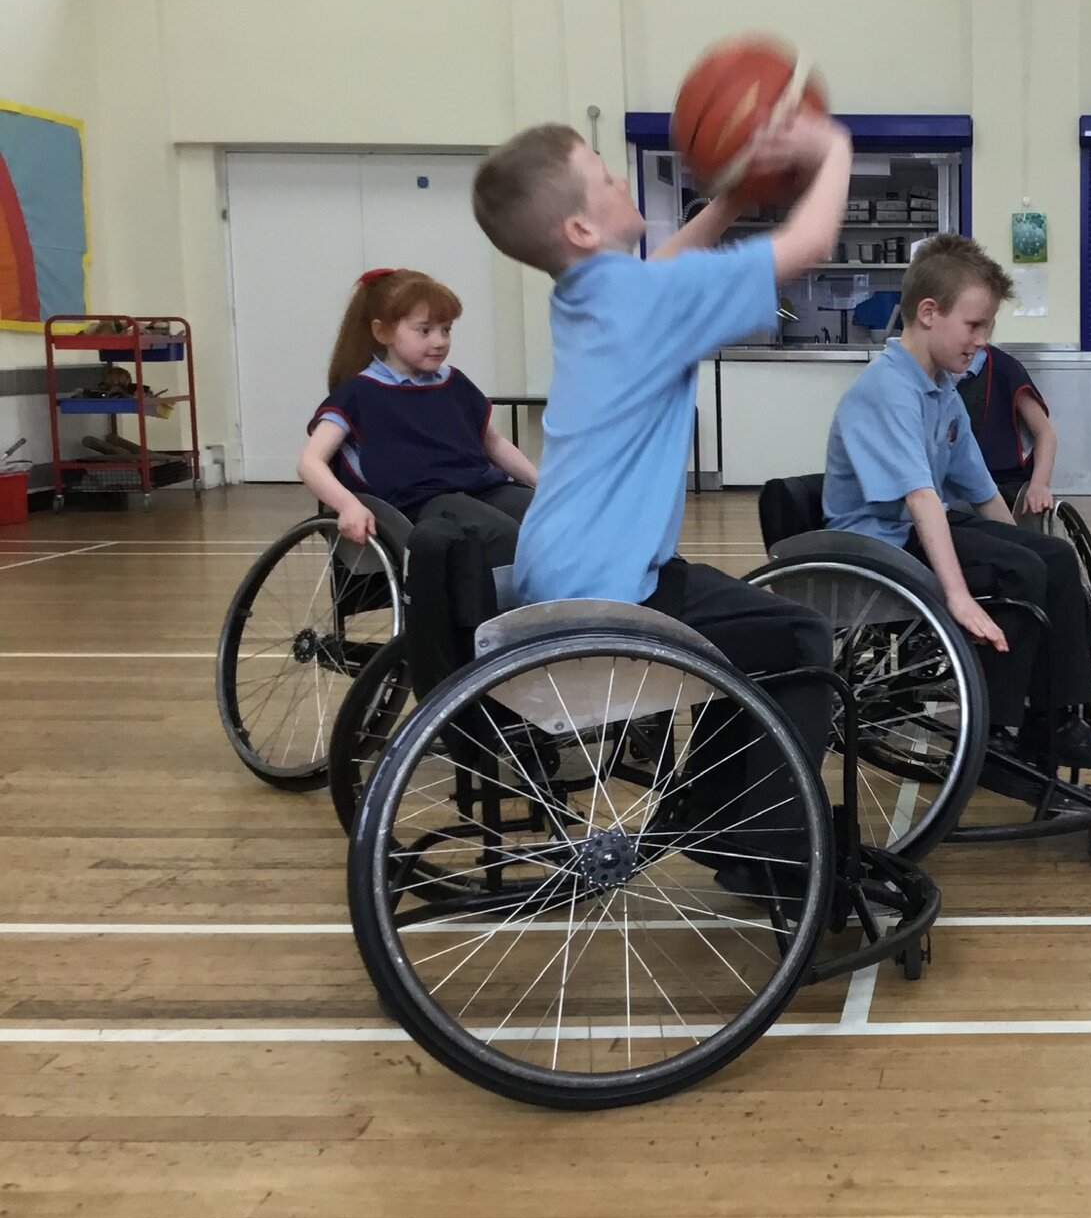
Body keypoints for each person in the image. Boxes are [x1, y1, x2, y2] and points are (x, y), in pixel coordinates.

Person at [470, 114, 852, 865]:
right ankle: (768, 855)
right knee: (801, 639)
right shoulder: (640, 301)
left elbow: (660, 272)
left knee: (746, 628)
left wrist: (731, 203)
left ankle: (705, 812)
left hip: (556, 571)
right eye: (607, 175)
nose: (621, 178)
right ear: (580, 227)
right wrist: (833, 148)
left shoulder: (589, 296)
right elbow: (809, 246)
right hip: (610, 588)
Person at [822, 233, 1091, 773]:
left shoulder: (941, 391)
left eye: (987, 328)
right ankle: (992, 733)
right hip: (877, 542)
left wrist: (1023, 546)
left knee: (1052, 560)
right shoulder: (889, 389)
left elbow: (985, 494)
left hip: (914, 529)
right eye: (974, 325)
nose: (982, 342)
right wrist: (959, 598)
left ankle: (1054, 723)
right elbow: (920, 499)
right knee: (1018, 574)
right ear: (929, 313)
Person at [299, 268, 539, 547]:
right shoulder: (360, 392)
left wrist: (542, 485)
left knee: (551, 516)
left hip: (479, 487)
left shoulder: (454, 383)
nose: (439, 341)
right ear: (383, 331)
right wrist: (348, 505)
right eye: (424, 331)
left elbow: (493, 443)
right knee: (500, 534)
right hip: (420, 501)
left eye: (445, 330)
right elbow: (309, 462)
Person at [955, 341, 1056, 515]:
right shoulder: (932, 371)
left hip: (1002, 485)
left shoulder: (1005, 368)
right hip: (951, 486)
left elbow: (1045, 433)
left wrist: (1039, 484)